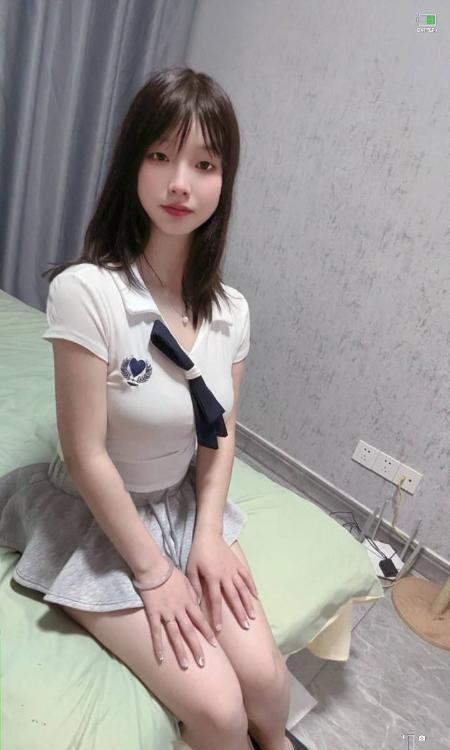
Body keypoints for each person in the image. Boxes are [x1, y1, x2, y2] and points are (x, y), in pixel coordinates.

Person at [0, 67, 306, 750]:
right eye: (160, 155)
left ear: (224, 182)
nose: (179, 183)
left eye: (204, 164)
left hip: (181, 503)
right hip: (96, 512)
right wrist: (154, 573)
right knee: (220, 712)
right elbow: (85, 455)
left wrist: (206, 536)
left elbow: (219, 429)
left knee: (266, 684)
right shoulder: (88, 292)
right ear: (131, 163)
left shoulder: (233, 311)